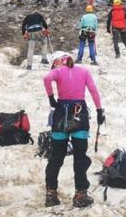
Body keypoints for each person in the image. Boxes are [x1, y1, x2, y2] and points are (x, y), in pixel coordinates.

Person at [43, 54, 104, 208]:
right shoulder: (84, 71)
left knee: (56, 156)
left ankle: (51, 193)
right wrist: (99, 110)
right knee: (80, 156)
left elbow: (46, 78)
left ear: (60, 63)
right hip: (79, 114)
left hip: (60, 115)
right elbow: (93, 91)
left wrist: (51, 98)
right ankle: (80, 194)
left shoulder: (58, 72)